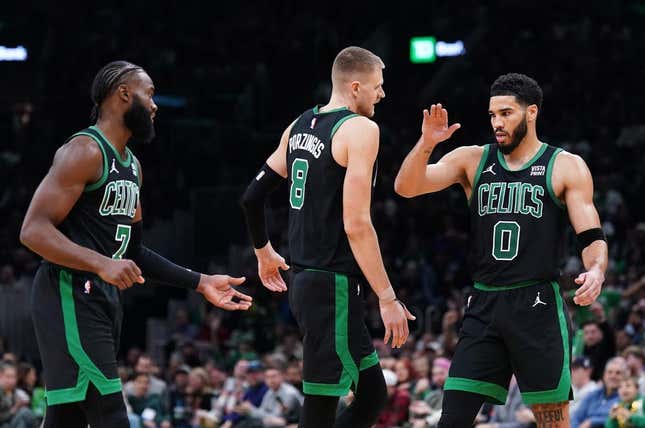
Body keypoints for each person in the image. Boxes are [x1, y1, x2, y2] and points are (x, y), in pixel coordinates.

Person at [19, 60, 253, 428]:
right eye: (150, 93)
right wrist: (101, 263)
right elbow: (33, 230)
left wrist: (200, 281)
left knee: (66, 416)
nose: (155, 104)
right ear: (124, 94)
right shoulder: (83, 151)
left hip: (102, 299)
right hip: (68, 295)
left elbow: (133, 253)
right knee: (111, 414)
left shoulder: (132, 167)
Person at [395, 73, 609, 427]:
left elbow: (591, 236)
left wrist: (597, 269)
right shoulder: (473, 159)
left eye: (506, 113)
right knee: (451, 420)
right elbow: (406, 187)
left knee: (552, 421)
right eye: (493, 114)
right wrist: (426, 143)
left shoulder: (565, 166)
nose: (497, 122)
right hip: (484, 306)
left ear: (531, 113)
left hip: (537, 306)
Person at [240, 46, 415, 428]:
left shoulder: (300, 125)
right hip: (330, 285)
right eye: (377, 87)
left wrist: (263, 251)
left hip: (310, 283)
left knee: (371, 394)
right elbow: (356, 223)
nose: (382, 95)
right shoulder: (361, 129)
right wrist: (387, 298)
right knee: (319, 410)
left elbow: (252, 197)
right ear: (356, 87)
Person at [571, 357, 627, 427]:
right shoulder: (593, 394)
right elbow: (577, 417)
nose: (613, 376)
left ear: (625, 377)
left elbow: (619, 418)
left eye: (618, 373)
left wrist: (592, 422)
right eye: (609, 372)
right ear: (604, 375)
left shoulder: (625, 398)